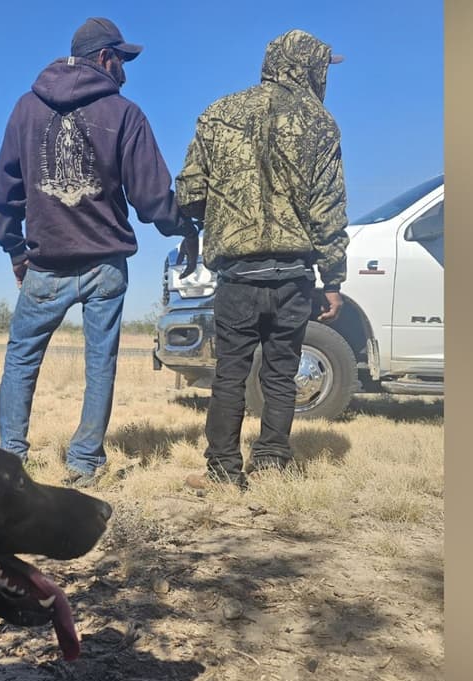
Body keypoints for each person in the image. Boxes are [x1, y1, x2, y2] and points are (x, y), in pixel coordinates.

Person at [0, 17, 197, 488]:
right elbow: (152, 199)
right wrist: (181, 225)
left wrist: (16, 251)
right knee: (99, 363)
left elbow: (3, 197)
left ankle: (9, 461)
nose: (124, 71)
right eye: (122, 60)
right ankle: (83, 462)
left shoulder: (25, 109)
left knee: (21, 359)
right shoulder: (126, 115)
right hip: (105, 263)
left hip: (45, 263)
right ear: (104, 58)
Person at [175, 29, 351, 490]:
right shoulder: (321, 124)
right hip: (293, 275)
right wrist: (332, 278)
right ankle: (272, 460)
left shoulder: (218, 114)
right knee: (280, 371)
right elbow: (328, 209)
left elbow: (190, 192)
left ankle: (223, 471)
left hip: (237, 274)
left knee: (230, 373)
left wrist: (211, 216)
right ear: (309, 66)